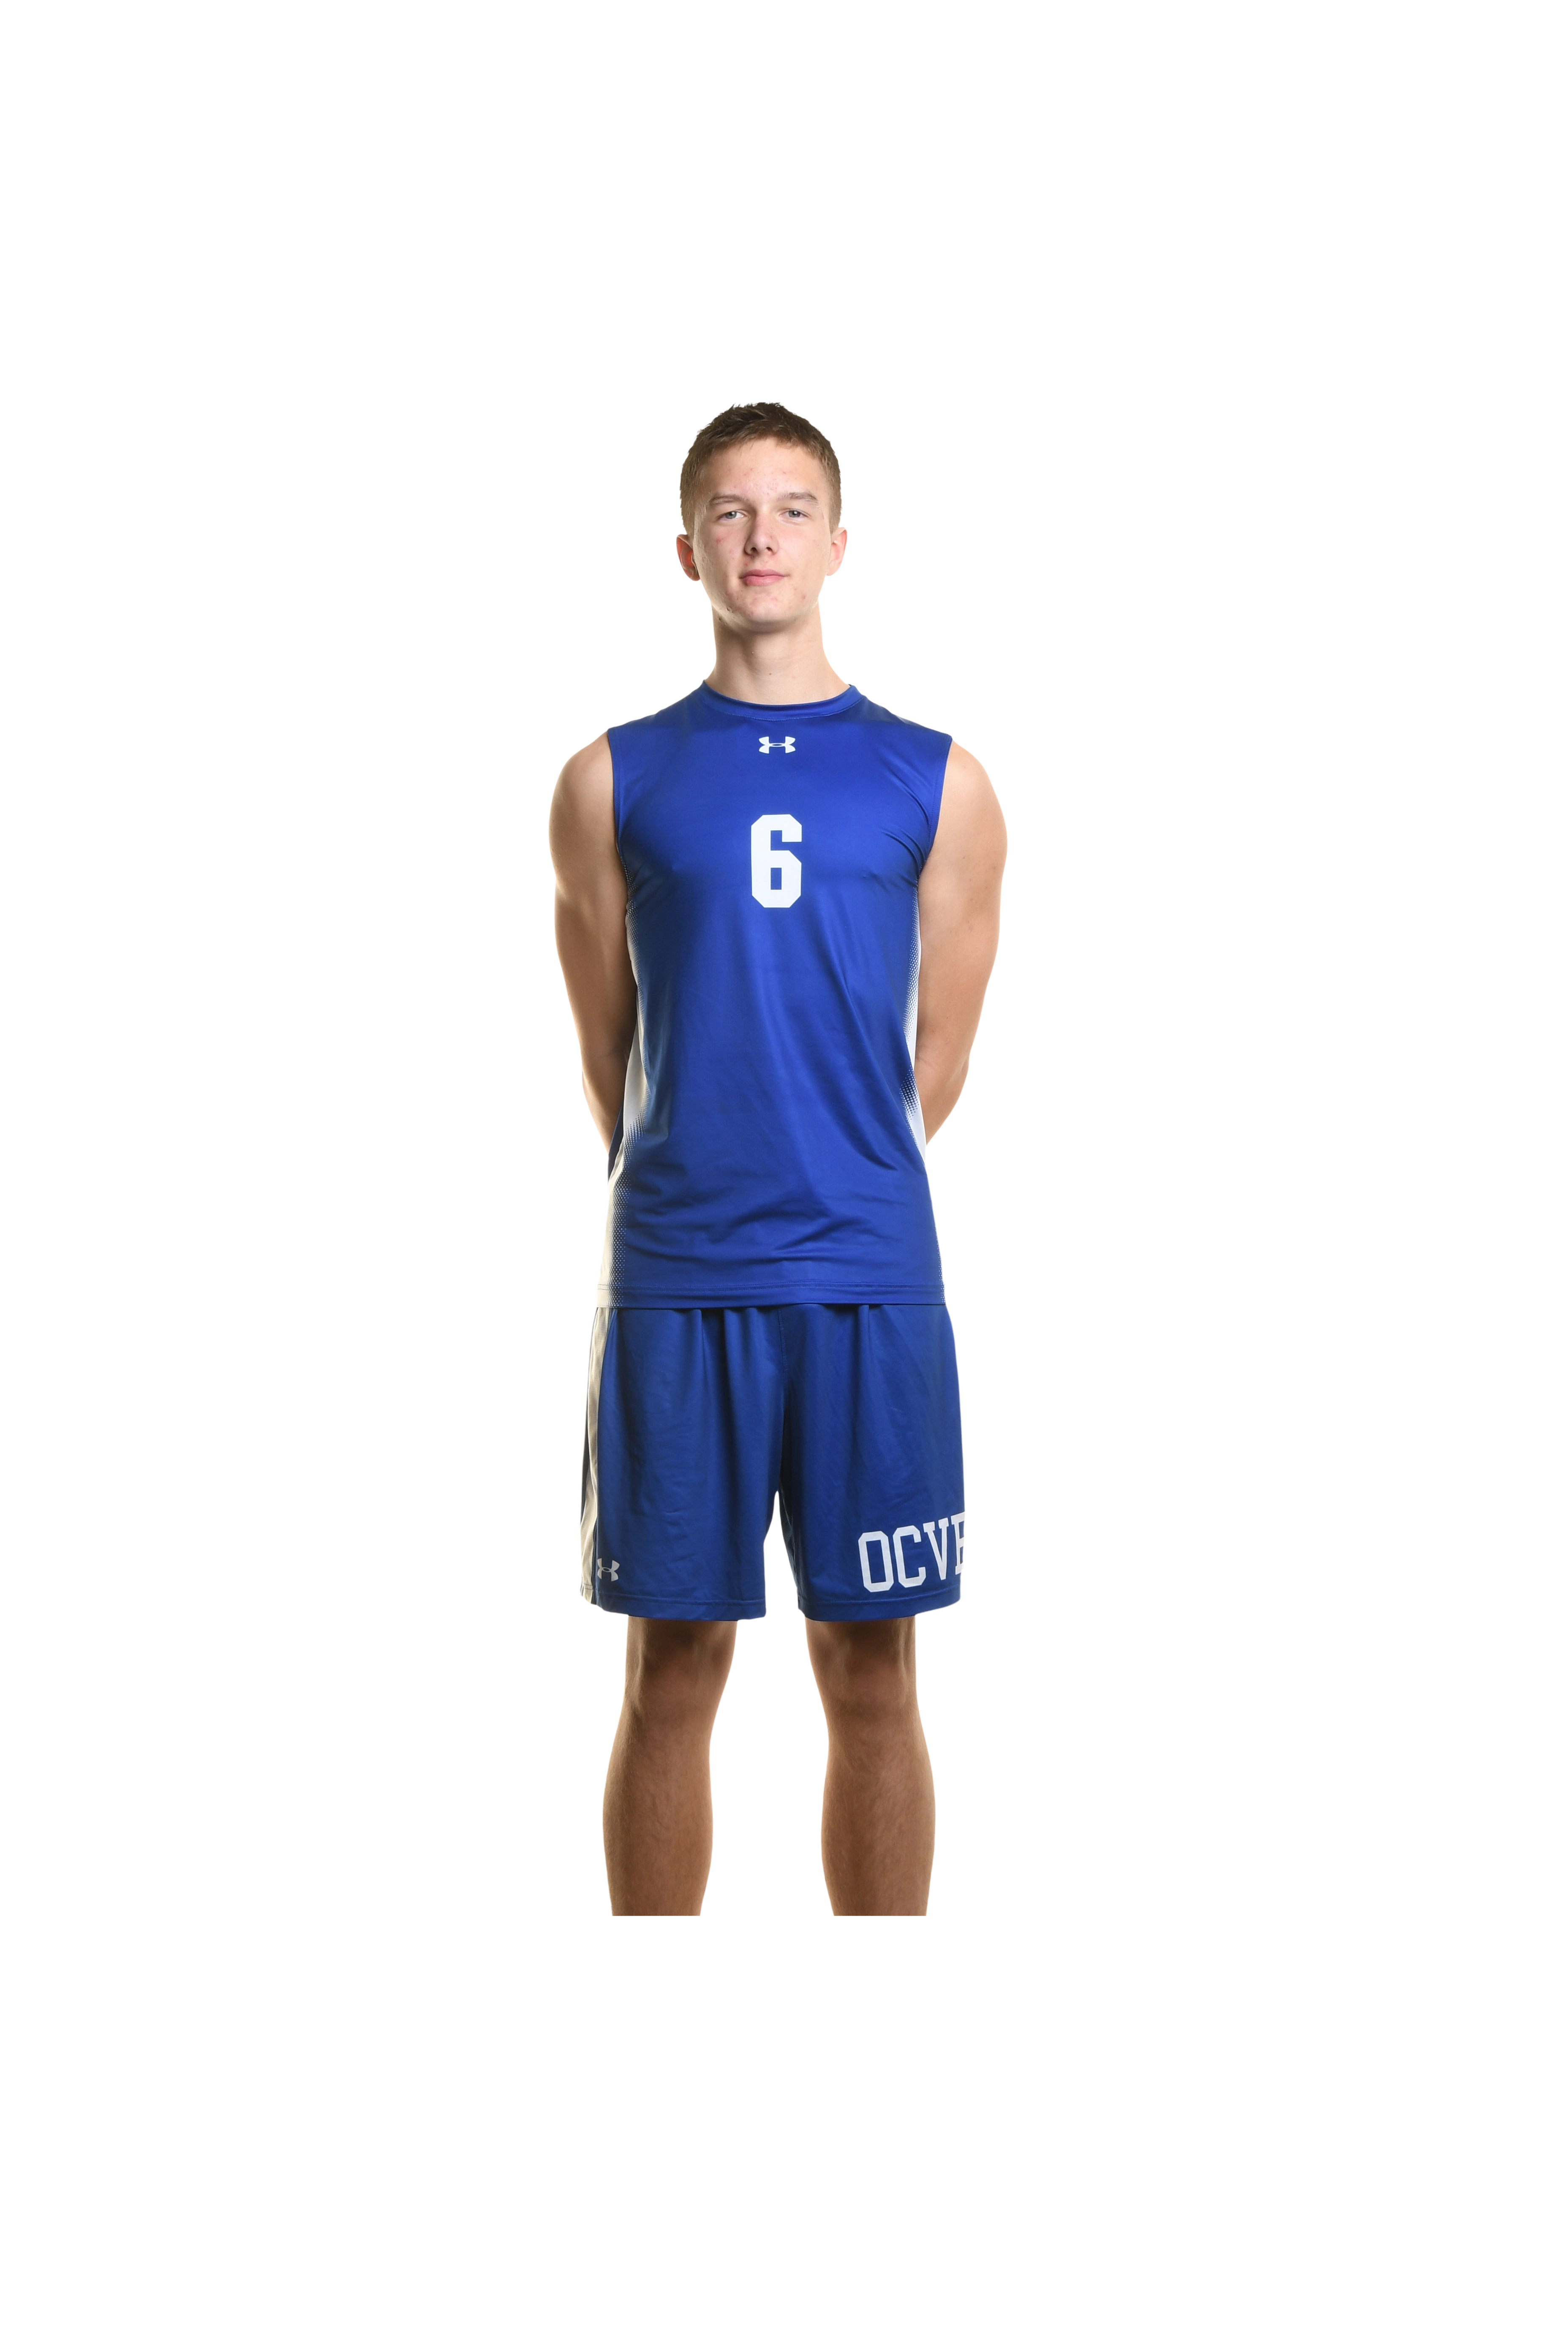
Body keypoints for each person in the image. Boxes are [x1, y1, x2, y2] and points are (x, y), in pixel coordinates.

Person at [548, 400, 1007, 1914]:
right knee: (670, 1667)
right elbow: (614, 1054)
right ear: (688, 546)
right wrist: (707, 1171)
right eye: (731, 511)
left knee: (872, 1668)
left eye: (793, 510)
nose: (762, 538)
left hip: (869, 1282)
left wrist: (831, 1174)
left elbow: (937, 1063)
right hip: (679, 1285)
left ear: (839, 544)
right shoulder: (611, 778)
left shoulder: (938, 779)